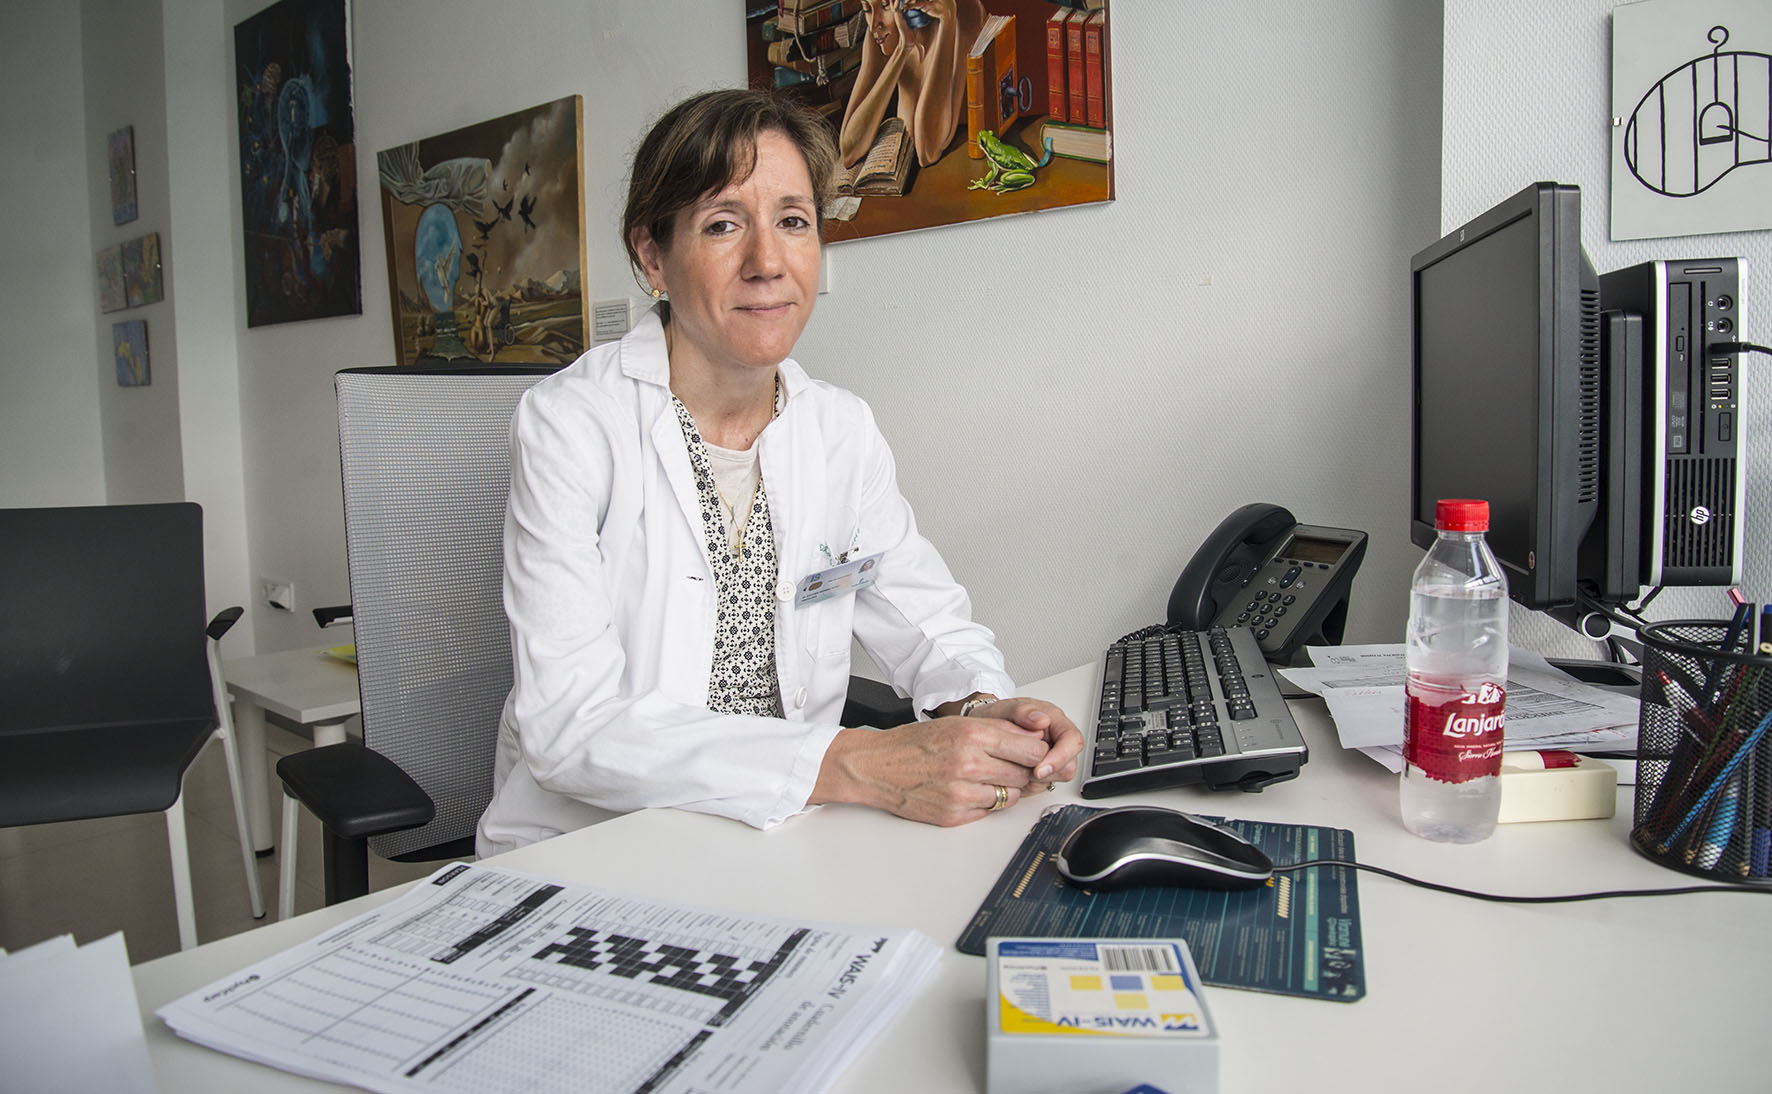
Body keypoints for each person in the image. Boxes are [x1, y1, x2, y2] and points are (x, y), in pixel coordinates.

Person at [476, 88, 1082, 856]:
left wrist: (983, 705)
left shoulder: (839, 430)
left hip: (778, 837)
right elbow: (570, 729)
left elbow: (926, 620)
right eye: (724, 224)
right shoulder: (571, 425)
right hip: (597, 847)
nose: (768, 263)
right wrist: (856, 762)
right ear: (652, 256)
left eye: (793, 221)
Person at [839, 0, 984, 169]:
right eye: (867, 9)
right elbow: (849, 152)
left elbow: (927, 151)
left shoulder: (964, 14)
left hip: (953, 171)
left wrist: (948, 21)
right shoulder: (879, 37)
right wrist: (902, 50)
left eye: (885, 5)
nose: (873, 25)